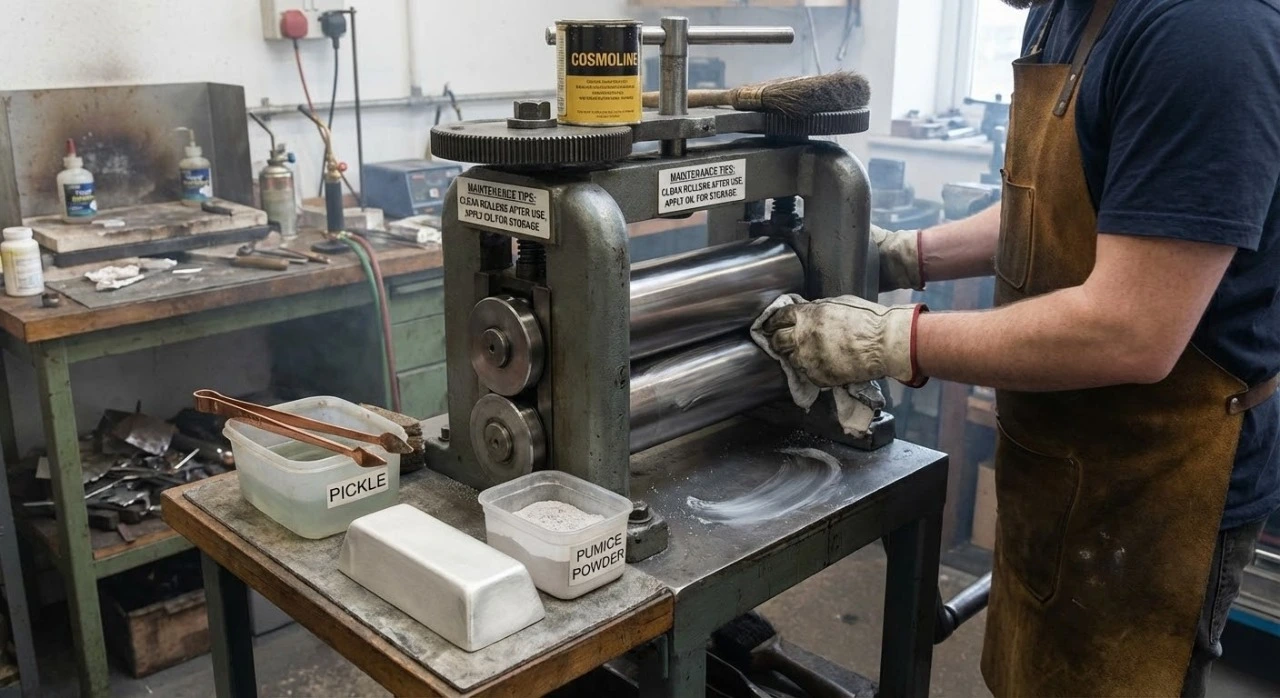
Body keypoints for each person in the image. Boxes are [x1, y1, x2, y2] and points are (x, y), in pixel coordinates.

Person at [760, 0, 1280, 695]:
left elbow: (1133, 329)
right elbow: (1066, 203)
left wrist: (890, 339)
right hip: (1059, 455)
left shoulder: (1208, 30)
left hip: (1156, 487)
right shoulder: (1062, 13)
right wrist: (907, 256)